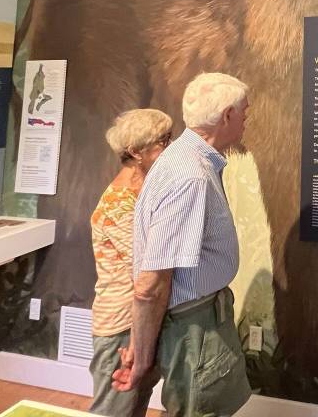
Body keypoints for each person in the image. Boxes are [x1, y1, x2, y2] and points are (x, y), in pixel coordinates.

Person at [113, 73, 252, 417]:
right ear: (227, 116)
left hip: (199, 322)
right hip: (195, 328)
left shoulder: (185, 160)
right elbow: (150, 285)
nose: (247, 120)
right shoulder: (190, 174)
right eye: (245, 113)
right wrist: (141, 357)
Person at [89, 109, 172, 417]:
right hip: (123, 324)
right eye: (162, 141)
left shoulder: (143, 193)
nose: (169, 147)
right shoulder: (119, 204)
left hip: (141, 321)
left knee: (133, 406)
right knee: (112, 411)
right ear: (136, 151)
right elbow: (147, 273)